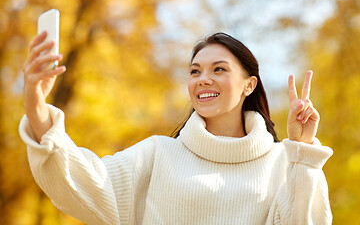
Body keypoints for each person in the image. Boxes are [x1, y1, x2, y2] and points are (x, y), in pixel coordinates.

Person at [19, 31, 333, 225]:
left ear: (249, 85)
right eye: (195, 71)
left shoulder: (282, 161)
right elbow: (84, 181)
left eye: (218, 69)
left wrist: (303, 152)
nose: (202, 79)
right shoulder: (158, 154)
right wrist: (35, 104)